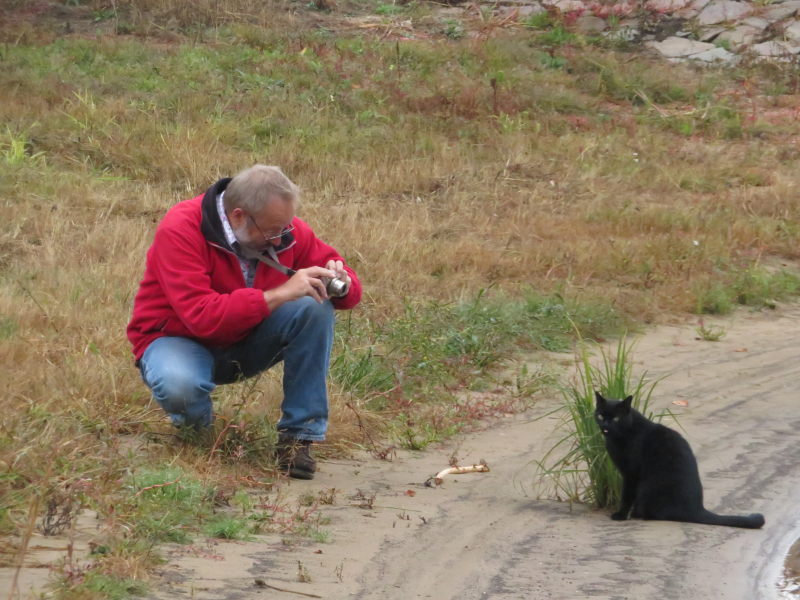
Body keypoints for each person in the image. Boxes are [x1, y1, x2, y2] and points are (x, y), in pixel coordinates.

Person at [127, 165, 362, 479]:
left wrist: (341, 282)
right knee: (180, 384)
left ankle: (298, 439)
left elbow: (350, 294)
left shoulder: (286, 231)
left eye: (285, 228)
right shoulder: (180, 227)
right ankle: (199, 437)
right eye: (272, 231)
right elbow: (202, 317)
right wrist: (279, 295)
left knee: (314, 307)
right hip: (178, 339)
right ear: (238, 216)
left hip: (246, 341)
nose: (279, 240)